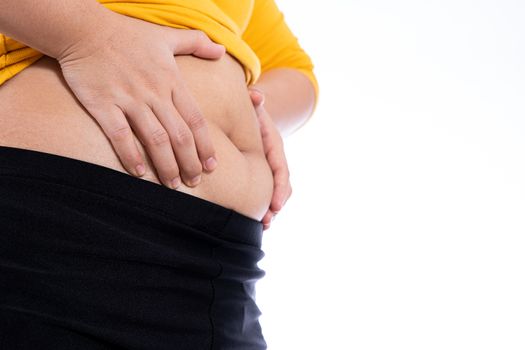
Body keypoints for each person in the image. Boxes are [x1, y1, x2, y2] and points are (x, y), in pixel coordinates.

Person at [0, 0, 318, 348]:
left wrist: (255, 109)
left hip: (225, 266)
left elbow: (291, 65)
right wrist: (85, 37)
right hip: (63, 226)